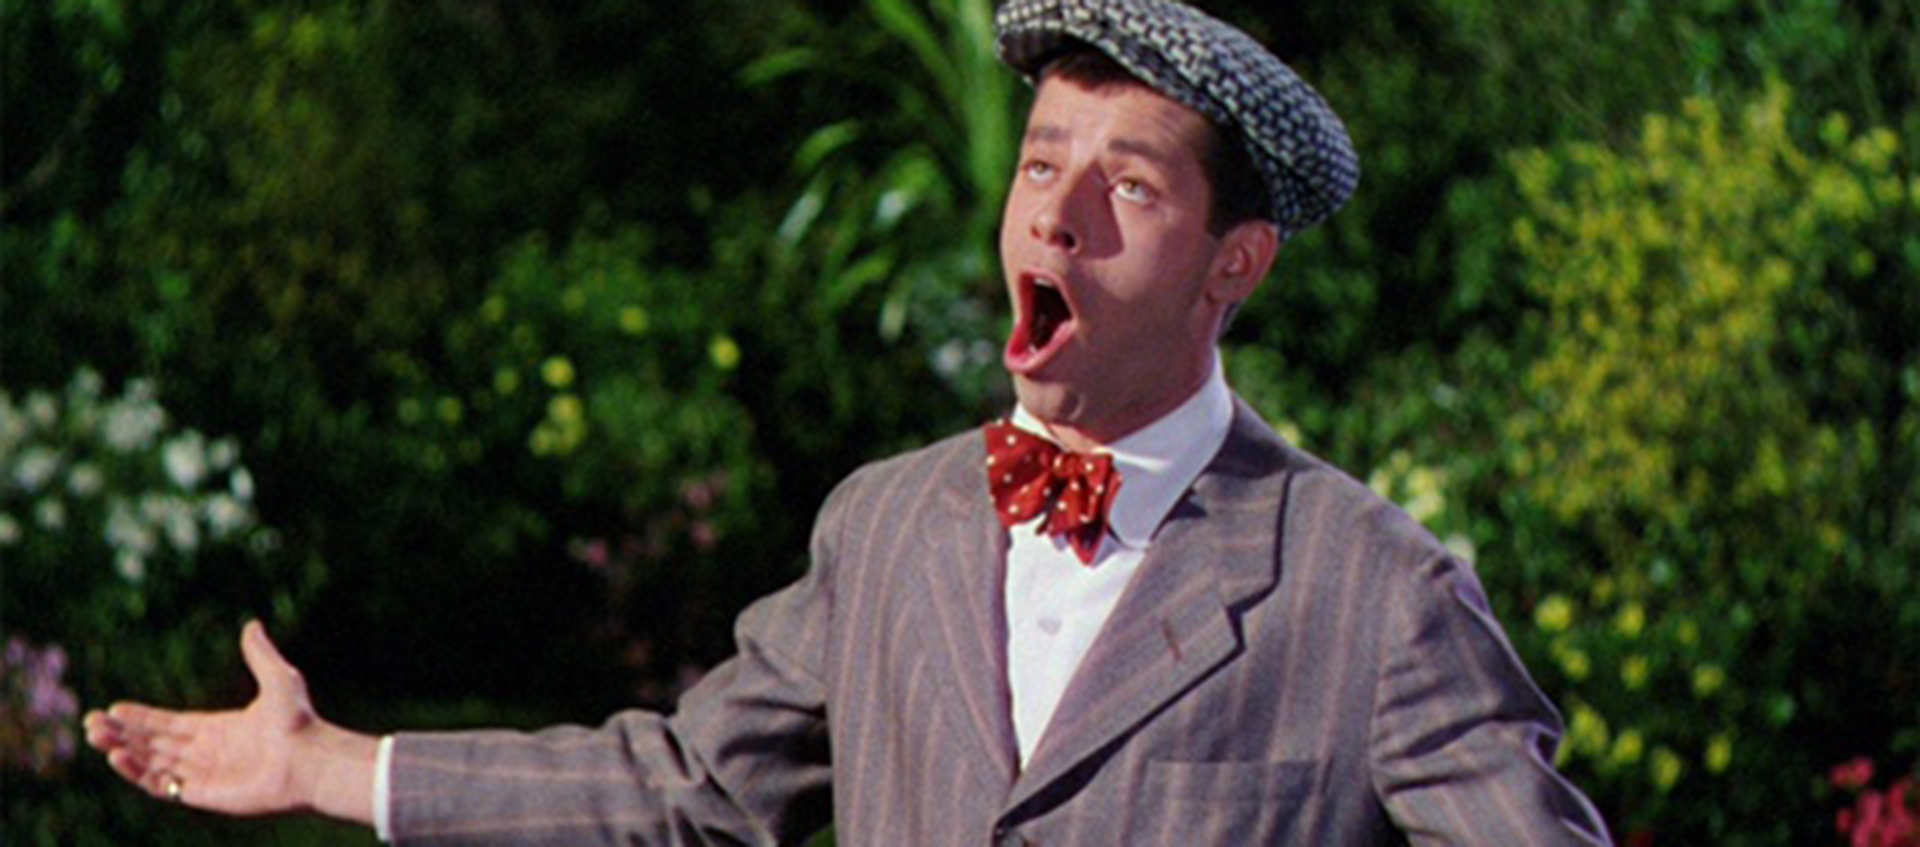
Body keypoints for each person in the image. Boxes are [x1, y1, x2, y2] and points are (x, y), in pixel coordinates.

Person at [86, 0, 1613, 844]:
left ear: (1238, 264)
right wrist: (333, 767)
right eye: (1039, 166)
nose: (1057, 219)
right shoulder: (886, 525)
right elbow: (683, 788)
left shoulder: (1372, 591)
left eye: (1128, 188)